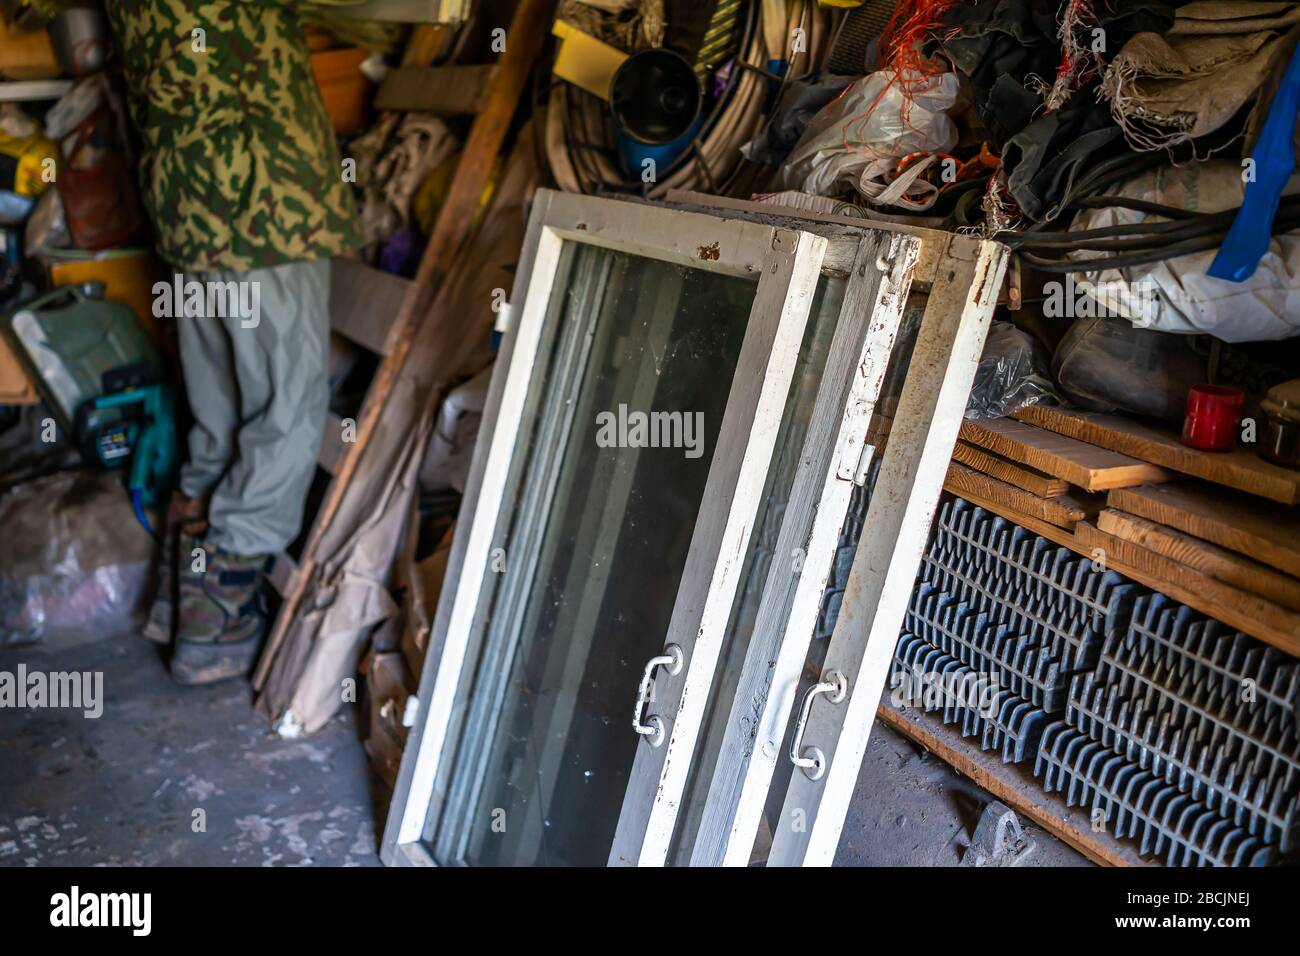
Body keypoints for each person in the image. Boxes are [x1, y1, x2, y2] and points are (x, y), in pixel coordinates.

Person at [105, 0, 360, 684]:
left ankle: (184, 592)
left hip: (189, 197)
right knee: (284, 400)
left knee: (218, 407)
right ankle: (216, 614)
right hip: (263, 194)